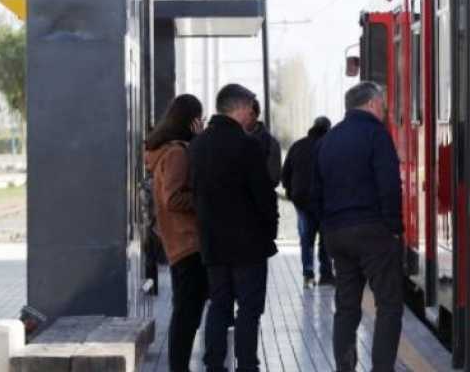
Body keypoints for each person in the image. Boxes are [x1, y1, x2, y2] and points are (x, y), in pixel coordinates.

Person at [312, 82, 404, 372]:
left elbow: (315, 189)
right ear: (372, 104)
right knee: (389, 305)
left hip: (337, 232)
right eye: (382, 104)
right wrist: (393, 226)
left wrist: (327, 226)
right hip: (372, 231)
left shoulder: (329, 139)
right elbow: (389, 185)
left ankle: (345, 367)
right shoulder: (377, 135)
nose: (384, 109)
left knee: (347, 306)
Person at [189, 84, 279, 372]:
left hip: (212, 243)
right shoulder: (248, 145)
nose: (253, 115)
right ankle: (247, 364)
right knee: (249, 310)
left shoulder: (198, 145)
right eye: (251, 109)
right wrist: (270, 230)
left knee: (219, 304)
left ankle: (214, 363)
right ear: (239, 108)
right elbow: (263, 196)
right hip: (248, 245)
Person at [144, 95, 207, 372]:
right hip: (188, 241)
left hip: (178, 241)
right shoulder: (178, 153)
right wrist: (205, 197)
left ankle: (178, 366)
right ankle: (178, 367)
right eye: (200, 117)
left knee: (186, 311)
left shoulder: (166, 150)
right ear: (191, 120)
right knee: (187, 313)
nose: (202, 123)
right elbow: (173, 198)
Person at [281, 116, 335, 287]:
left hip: (301, 200)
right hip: (324, 200)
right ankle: (326, 274)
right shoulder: (330, 146)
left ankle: (308, 275)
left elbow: (285, 173)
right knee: (326, 238)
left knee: (306, 238)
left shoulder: (298, 145)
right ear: (328, 129)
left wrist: (291, 192)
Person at [246, 99, 282, 187]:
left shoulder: (271, 143)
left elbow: (273, 178)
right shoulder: (233, 138)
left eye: (248, 114)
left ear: (255, 115)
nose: (244, 118)